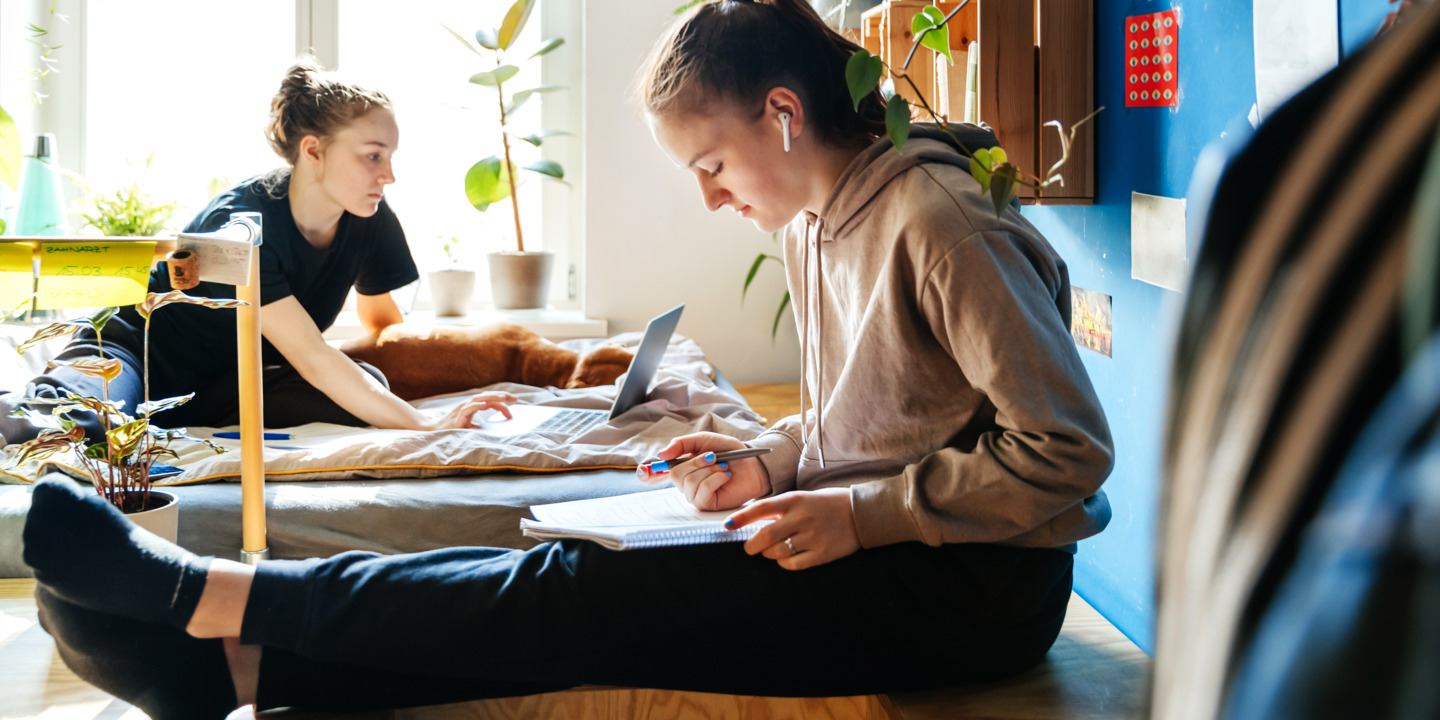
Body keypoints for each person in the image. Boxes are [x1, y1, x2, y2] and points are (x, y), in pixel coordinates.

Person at [20, 2, 1113, 717]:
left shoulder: (938, 222)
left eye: (713, 162)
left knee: (585, 588)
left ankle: (227, 604)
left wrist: (862, 515)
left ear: (783, 115)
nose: (710, 196)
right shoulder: (823, 222)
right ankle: (237, 658)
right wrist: (775, 460)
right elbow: (871, 419)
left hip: (977, 587)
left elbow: (1066, 455)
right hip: (904, 547)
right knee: (576, 582)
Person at [0, 58, 516, 446]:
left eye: (391, 156)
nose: (389, 174)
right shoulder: (241, 224)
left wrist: (427, 395)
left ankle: (161, 423)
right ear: (313, 150)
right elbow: (312, 355)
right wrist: (428, 424)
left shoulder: (369, 216)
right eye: (372, 156)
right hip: (132, 355)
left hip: (226, 382)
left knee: (367, 387)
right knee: (79, 422)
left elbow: (381, 325)